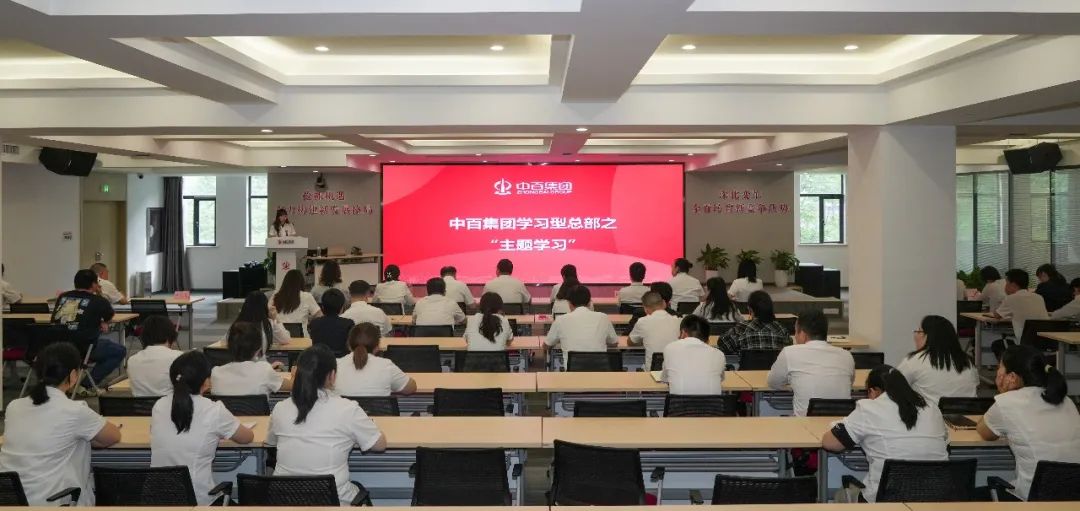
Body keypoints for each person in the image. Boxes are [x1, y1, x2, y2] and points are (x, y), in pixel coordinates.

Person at [0, 343, 121, 505]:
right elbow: (113, 436)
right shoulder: (75, 411)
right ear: (73, 375)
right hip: (54, 503)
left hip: (11, 503)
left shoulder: (14, 407)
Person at [267, 345, 387, 504]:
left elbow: (271, 442)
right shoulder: (347, 409)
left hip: (284, 501)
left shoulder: (280, 408)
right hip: (333, 501)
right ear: (332, 376)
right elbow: (379, 445)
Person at [822, 365, 949, 503]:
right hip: (936, 500)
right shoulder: (932, 408)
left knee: (841, 495)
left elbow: (830, 443)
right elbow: (945, 444)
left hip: (885, 501)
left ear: (873, 391)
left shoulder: (869, 408)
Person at [977, 345, 1080, 501]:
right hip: (1073, 498)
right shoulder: (1066, 401)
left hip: (1032, 501)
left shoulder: (1007, 402)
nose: (997, 372)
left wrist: (1004, 394)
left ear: (1012, 377)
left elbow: (985, 432)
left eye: (999, 367)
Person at [151, 351, 254, 505]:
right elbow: (247, 438)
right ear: (206, 382)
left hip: (158, 501)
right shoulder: (214, 410)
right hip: (199, 502)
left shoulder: (159, 405)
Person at [767, 309, 854, 416]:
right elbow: (850, 383)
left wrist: (792, 383)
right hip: (840, 423)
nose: (795, 337)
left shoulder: (789, 352)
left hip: (804, 423)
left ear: (803, 335)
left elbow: (773, 382)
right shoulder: (846, 355)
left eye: (796, 332)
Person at [52, 269, 127, 392]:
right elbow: (109, 316)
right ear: (93, 284)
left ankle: (67, 381)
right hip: (84, 347)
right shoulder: (99, 301)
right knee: (119, 351)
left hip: (57, 346)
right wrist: (100, 296)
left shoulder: (63, 297)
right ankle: (85, 385)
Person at [896, 315, 978, 404]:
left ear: (928, 336)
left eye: (919, 331)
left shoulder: (915, 360)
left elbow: (893, 386)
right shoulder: (967, 361)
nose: (915, 335)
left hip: (932, 412)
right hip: (969, 412)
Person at [335, 323, 417, 397]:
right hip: (378, 410)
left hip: (344, 410)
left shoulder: (335, 366)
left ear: (349, 345)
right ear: (377, 347)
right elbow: (410, 388)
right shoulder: (386, 366)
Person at [211, 322, 292, 395]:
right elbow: (292, 386)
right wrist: (295, 374)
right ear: (258, 349)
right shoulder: (264, 370)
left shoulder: (216, 372)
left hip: (225, 408)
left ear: (229, 346)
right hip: (259, 408)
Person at [544, 285, 618, 367]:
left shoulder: (560, 320)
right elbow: (614, 343)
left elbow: (546, 345)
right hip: (600, 370)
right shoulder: (603, 317)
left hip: (573, 372)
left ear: (569, 303)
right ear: (589, 302)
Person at [661, 314, 726, 395]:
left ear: (683, 333)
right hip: (712, 403)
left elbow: (665, 379)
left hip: (679, 402)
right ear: (707, 339)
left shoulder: (670, 348)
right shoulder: (719, 354)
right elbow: (721, 379)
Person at [991, 269, 1048, 358]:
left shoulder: (1011, 298)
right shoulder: (1039, 297)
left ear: (1013, 284)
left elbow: (997, 315)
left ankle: (1012, 366)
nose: (1005, 286)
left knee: (997, 345)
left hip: (1024, 343)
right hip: (1044, 342)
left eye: (1006, 283)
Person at [716, 291, 789, 355]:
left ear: (750, 309)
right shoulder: (781, 329)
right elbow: (788, 348)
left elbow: (723, 344)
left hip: (747, 367)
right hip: (775, 367)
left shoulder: (742, 328)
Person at [126, 315, 182, 397]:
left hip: (140, 405)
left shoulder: (132, 360)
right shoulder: (180, 357)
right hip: (170, 404)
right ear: (170, 335)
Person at [628, 291, 681, 370]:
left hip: (652, 372)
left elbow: (630, 342)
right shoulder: (678, 321)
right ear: (664, 303)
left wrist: (643, 341)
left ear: (645, 309)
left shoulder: (643, 321)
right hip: (675, 370)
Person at [235, 290, 291, 355]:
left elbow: (227, 340)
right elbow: (285, 339)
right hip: (259, 360)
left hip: (239, 360)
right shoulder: (267, 324)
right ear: (265, 305)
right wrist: (275, 318)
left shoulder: (238, 323)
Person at [272, 269, 322, 335]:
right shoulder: (307, 296)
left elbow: (269, 313)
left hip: (280, 336)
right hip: (301, 338)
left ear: (285, 282)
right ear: (301, 282)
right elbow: (320, 316)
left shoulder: (276, 295)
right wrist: (309, 320)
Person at [308, 289, 355, 357]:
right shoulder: (349, 324)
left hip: (319, 361)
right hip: (342, 360)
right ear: (342, 307)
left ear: (322, 307)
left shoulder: (314, 323)